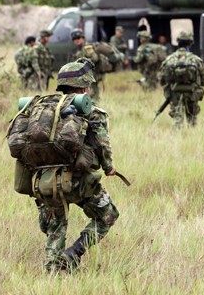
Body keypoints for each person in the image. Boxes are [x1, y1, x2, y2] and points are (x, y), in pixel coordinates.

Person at [33, 58, 119, 272]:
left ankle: (53, 271)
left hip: (45, 182)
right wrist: (109, 168)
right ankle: (74, 253)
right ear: (83, 87)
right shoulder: (93, 113)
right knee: (108, 215)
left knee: (56, 227)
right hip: (78, 183)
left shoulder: (43, 111)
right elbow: (103, 147)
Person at [159, 31, 204, 127]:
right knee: (192, 119)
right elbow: (203, 79)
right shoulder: (196, 60)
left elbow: (162, 79)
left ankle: (177, 139)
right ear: (190, 43)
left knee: (177, 119)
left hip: (175, 93)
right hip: (191, 93)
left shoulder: (169, 59)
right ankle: (193, 139)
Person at [71, 29, 109, 101]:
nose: (77, 40)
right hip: (85, 77)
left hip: (91, 76)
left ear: (83, 38)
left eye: (78, 38)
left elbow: (95, 58)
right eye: (74, 39)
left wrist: (82, 63)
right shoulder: (79, 50)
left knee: (92, 96)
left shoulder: (87, 47)